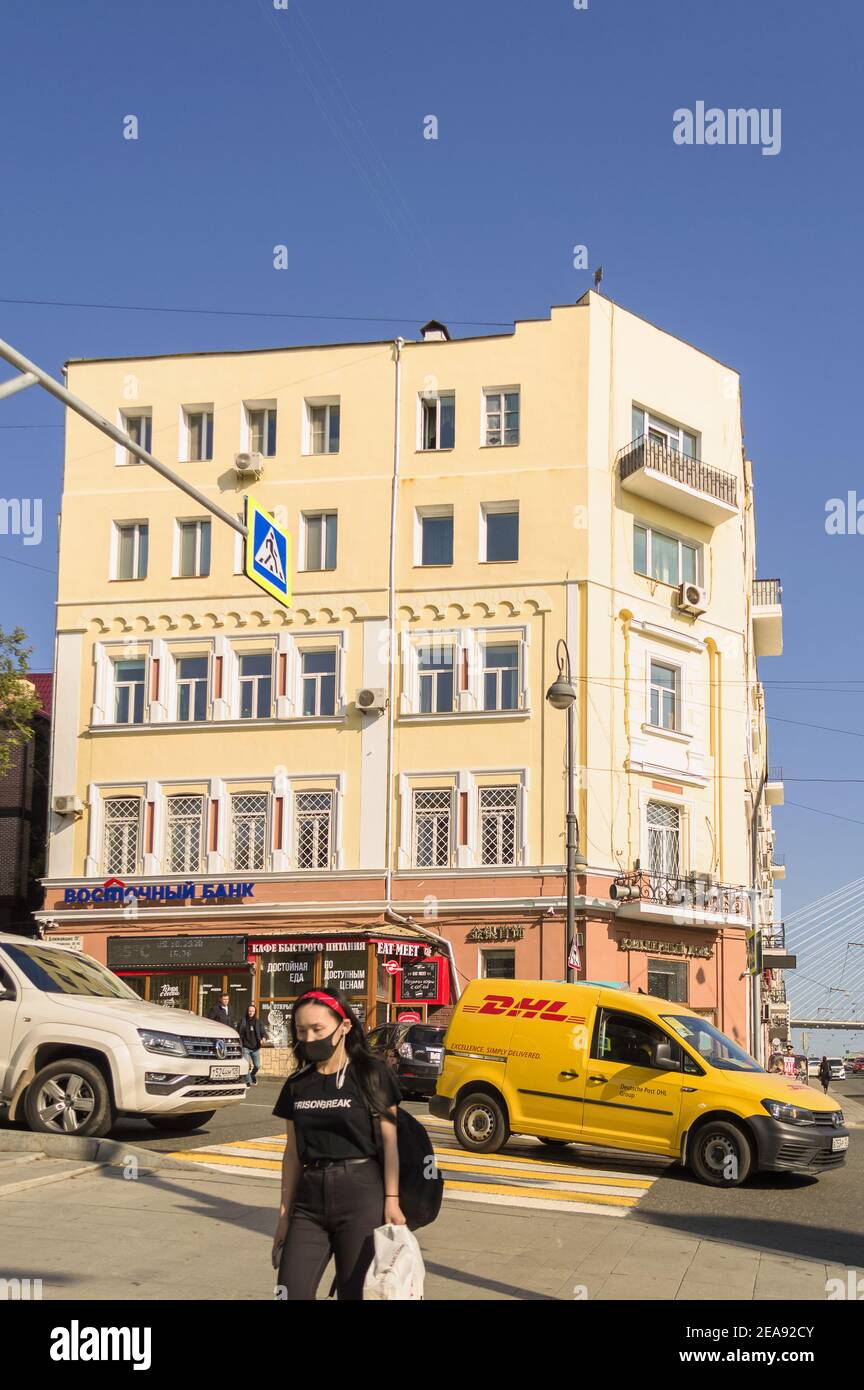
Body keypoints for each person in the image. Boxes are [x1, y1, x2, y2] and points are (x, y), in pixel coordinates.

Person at [271, 986, 406, 1301]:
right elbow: (291, 1154)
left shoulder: (372, 1075)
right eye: (302, 1031)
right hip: (308, 1200)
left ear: (344, 1026)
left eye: (318, 1029)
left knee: (355, 1293)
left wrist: (392, 1200)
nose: (309, 1038)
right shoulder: (297, 1084)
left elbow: (390, 1143)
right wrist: (283, 1214)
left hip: (361, 1195)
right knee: (289, 1292)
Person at [238, 1004, 268, 1087]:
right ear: (247, 1011)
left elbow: (264, 1033)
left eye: (253, 1011)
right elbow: (238, 1032)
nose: (251, 1012)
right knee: (246, 1065)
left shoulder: (258, 1022)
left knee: (257, 1065)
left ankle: (252, 1075)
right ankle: (248, 1081)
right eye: (249, 1011)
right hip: (245, 1047)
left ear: (255, 1012)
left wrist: (264, 1038)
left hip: (255, 1048)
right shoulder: (243, 1021)